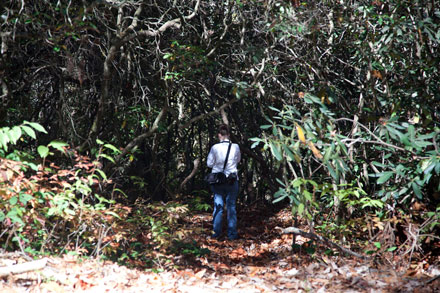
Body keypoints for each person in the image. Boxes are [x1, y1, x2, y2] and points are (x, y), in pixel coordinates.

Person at [207, 124, 241, 240]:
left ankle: (216, 233)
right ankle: (232, 234)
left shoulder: (215, 148)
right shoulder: (235, 147)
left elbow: (209, 164)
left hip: (217, 180)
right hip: (232, 179)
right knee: (231, 206)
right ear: (229, 135)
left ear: (219, 135)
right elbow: (238, 160)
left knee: (218, 206)